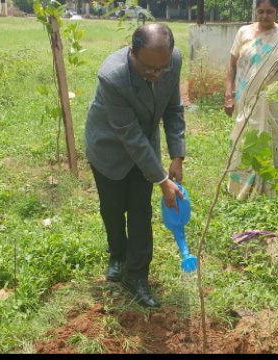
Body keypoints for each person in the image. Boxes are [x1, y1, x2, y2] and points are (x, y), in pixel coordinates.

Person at [85, 23, 185, 308]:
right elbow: (129, 135)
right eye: (148, 70)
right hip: (109, 147)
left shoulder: (171, 60)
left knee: (140, 210)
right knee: (113, 208)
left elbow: (173, 108)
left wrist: (176, 155)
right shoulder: (112, 76)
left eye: (162, 69)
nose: (156, 76)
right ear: (132, 53)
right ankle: (117, 254)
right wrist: (162, 179)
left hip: (144, 146)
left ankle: (137, 276)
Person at [224, 0, 278, 200]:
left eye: (269, 12)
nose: (265, 16)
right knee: (244, 140)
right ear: (255, 11)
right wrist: (228, 93)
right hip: (246, 98)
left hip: (273, 100)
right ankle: (240, 186)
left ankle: (269, 189)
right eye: (261, 12)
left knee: (272, 141)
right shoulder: (243, 33)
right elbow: (231, 65)